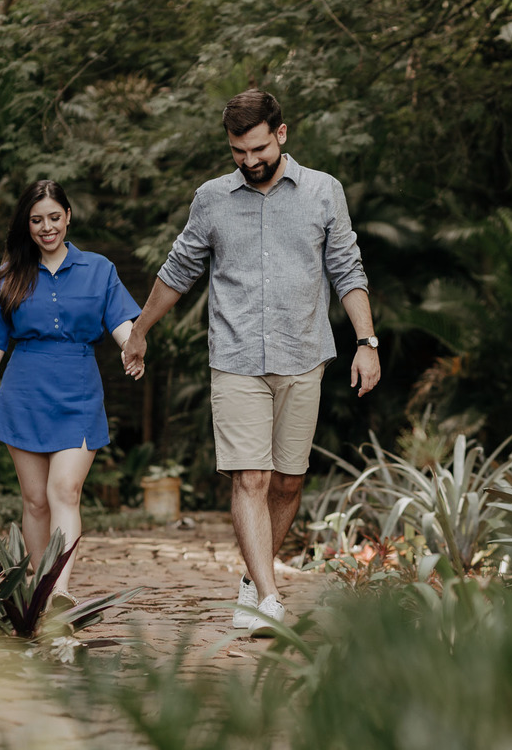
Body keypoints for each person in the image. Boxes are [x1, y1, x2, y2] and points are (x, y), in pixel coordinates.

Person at [120, 89, 380, 635]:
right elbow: (179, 270)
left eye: (258, 148)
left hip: (303, 355)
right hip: (236, 357)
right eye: (238, 151)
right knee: (251, 477)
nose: (249, 161)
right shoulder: (212, 200)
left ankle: (251, 580)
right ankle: (267, 597)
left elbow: (347, 270)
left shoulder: (323, 192)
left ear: (281, 134)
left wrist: (366, 341)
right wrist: (140, 331)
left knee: (288, 482)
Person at [0, 179, 143, 607]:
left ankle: (59, 589)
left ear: (68, 217)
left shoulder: (99, 269)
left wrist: (130, 347)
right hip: (23, 393)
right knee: (34, 500)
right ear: (26, 225)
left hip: (78, 392)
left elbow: (122, 320)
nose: (46, 227)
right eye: (36, 220)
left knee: (64, 490)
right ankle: (38, 587)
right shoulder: (10, 274)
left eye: (53, 217)